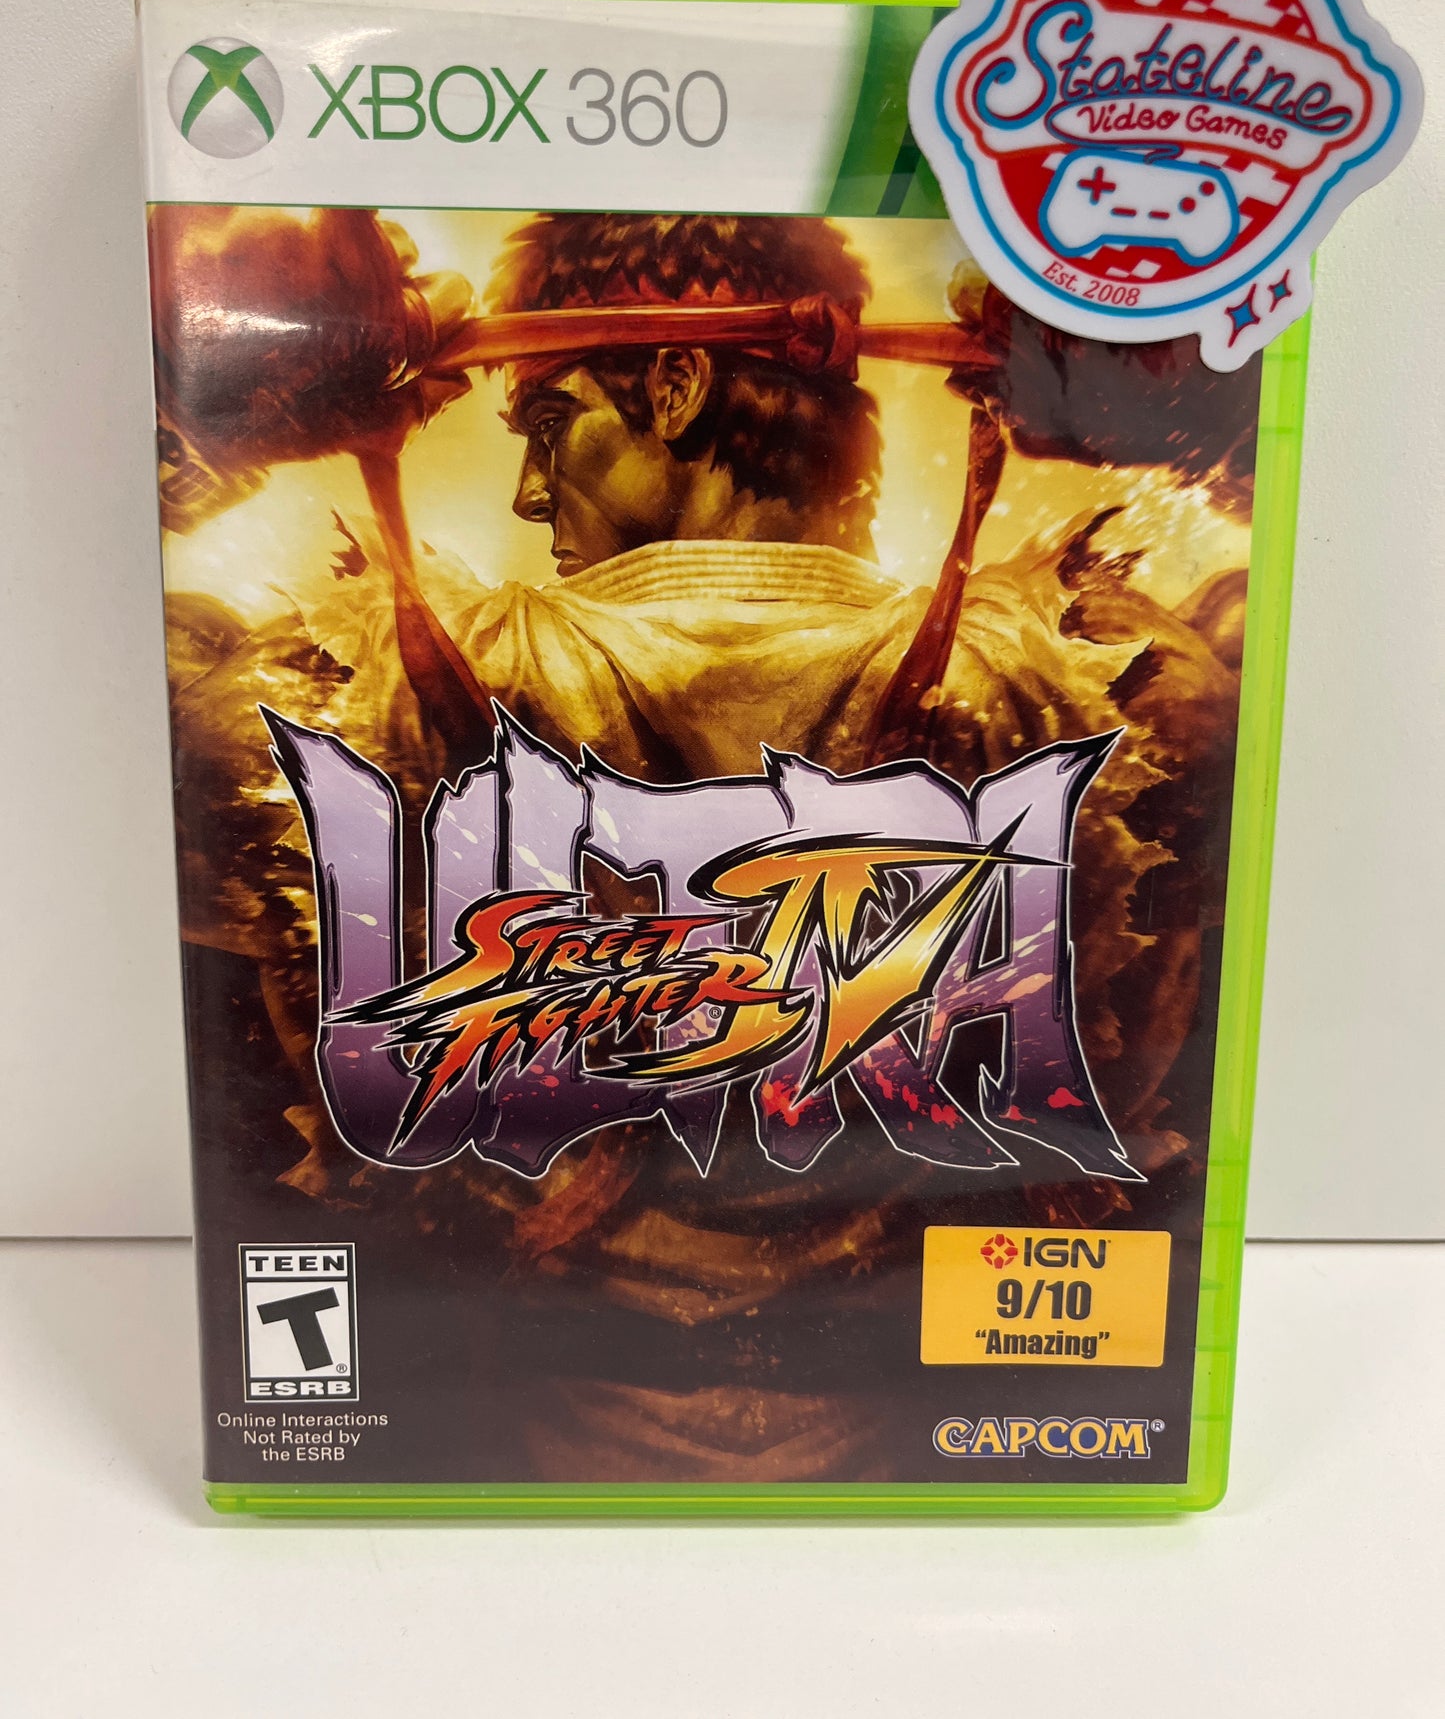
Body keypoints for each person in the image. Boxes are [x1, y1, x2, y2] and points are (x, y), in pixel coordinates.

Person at [155, 206, 1245, 1479]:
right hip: (938, 1435)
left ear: (675, 386)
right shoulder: (1087, 670)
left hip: (513, 1443)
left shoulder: (343, 682)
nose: (528, 490)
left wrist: (209, 406)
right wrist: (1194, 420)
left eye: (548, 423)